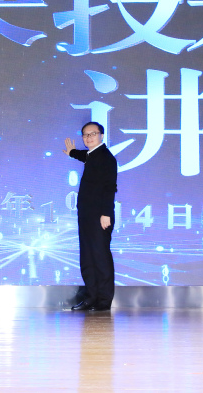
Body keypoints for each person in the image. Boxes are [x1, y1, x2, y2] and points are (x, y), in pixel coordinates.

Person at [64, 122, 118, 311]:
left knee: (100, 257)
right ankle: (91, 297)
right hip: (86, 214)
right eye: (85, 135)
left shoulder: (106, 158)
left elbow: (110, 187)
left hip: (100, 216)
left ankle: (103, 300)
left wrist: (106, 213)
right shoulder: (92, 155)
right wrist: (72, 153)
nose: (88, 138)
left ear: (101, 135)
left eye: (93, 134)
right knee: (87, 256)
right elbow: (85, 156)